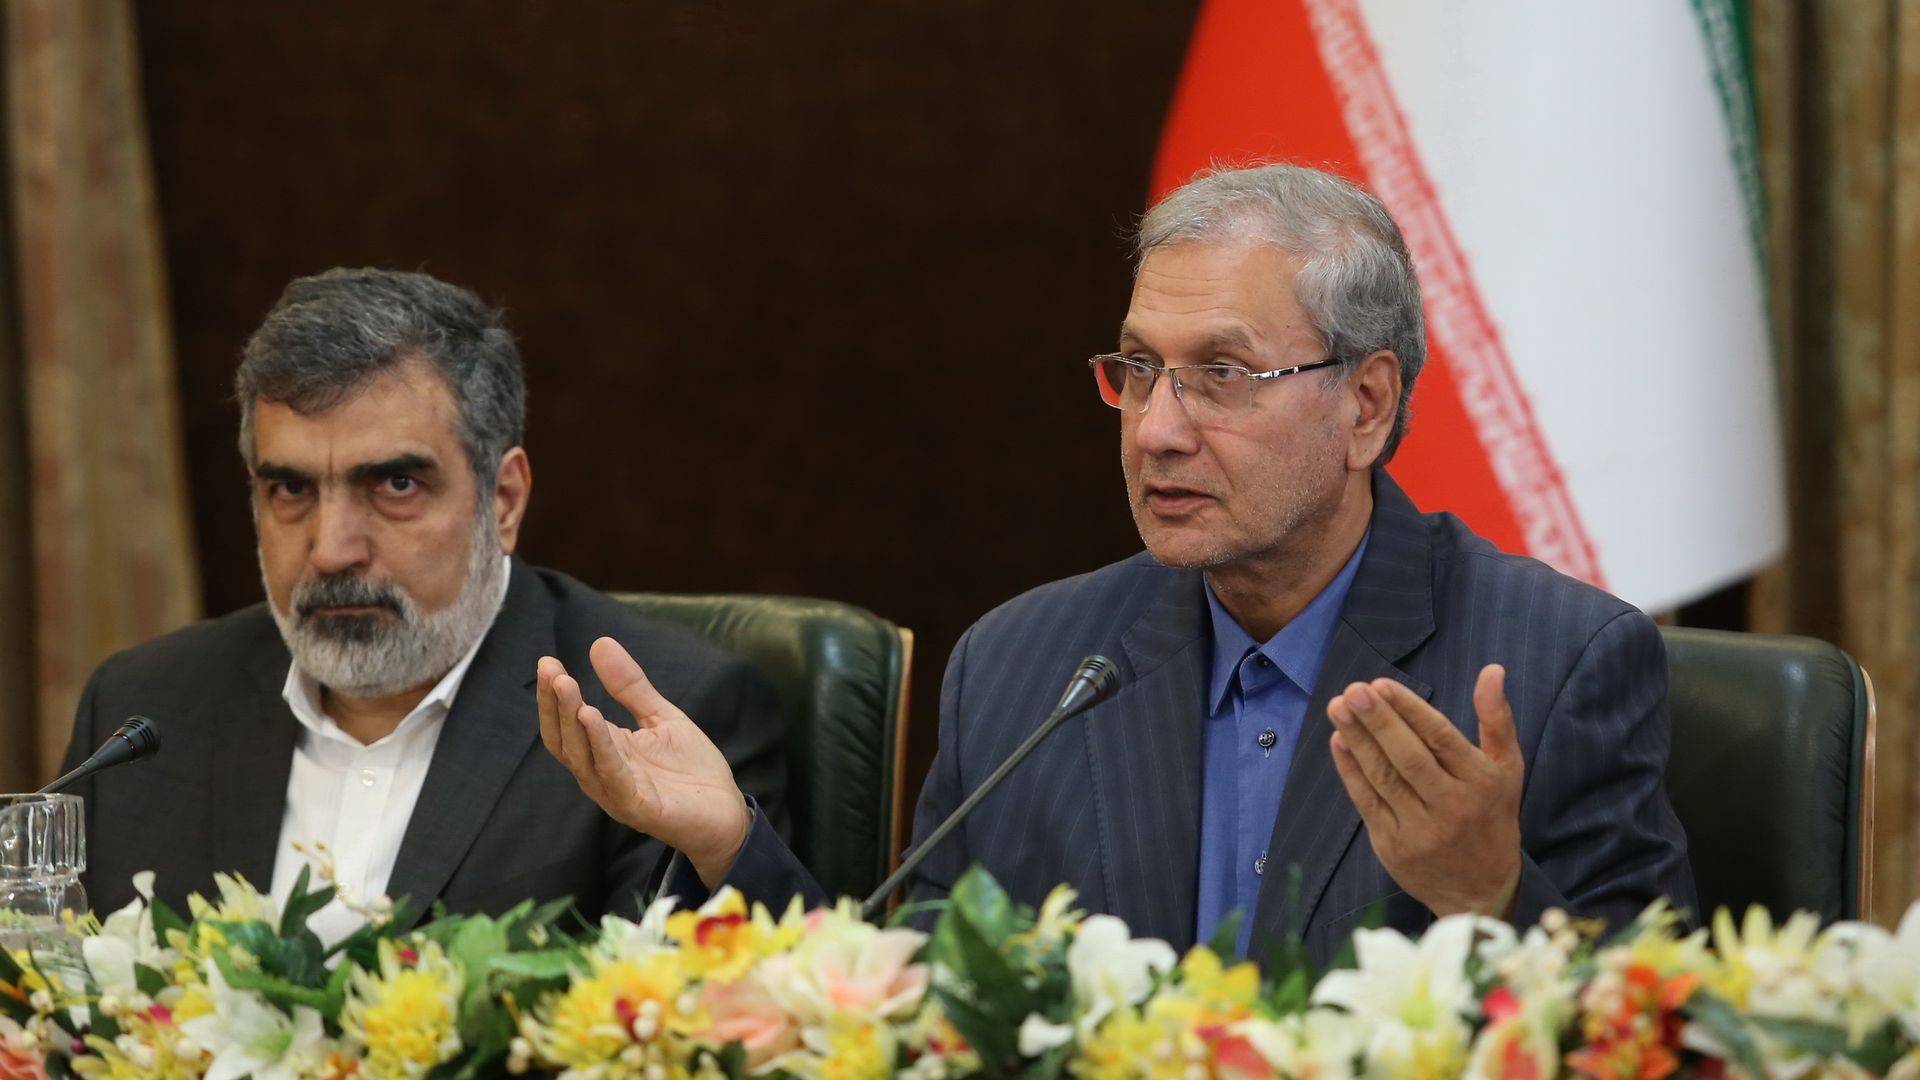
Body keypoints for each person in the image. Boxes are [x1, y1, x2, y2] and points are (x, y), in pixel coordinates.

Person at [536, 164, 1697, 963]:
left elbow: (1668, 1047)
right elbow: (919, 1013)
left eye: (1223, 375)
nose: (1157, 429)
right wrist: (730, 844)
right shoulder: (1027, 664)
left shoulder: (1556, 663)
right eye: (1138, 370)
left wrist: (1493, 895)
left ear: (1367, 406)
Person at [62, 269, 788, 940]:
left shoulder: (657, 722)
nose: (331, 550)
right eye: (291, 490)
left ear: (503, 500)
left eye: (394, 486)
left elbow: (697, 1029)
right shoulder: (143, 713)